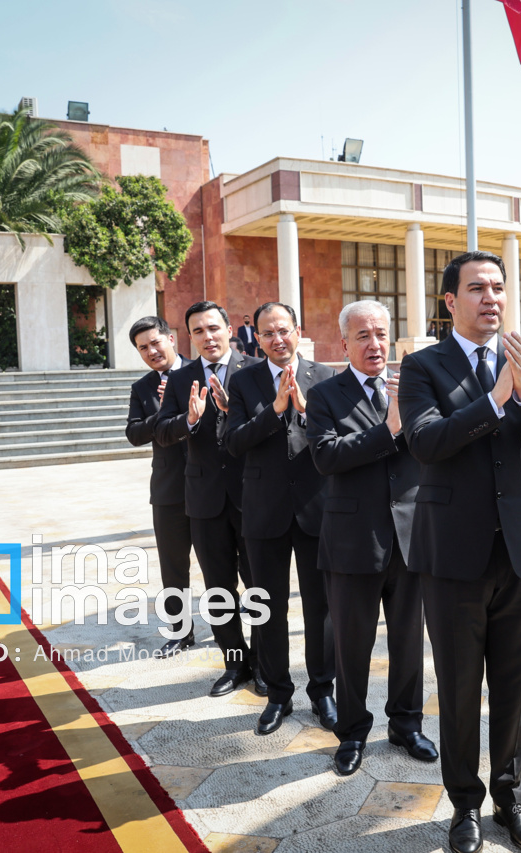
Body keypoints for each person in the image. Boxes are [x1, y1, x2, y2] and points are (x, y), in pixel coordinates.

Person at [398, 250, 521, 853]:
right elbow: (425, 443)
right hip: (451, 557)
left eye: (498, 287)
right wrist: (494, 400)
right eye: (477, 289)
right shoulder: (423, 367)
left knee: (516, 687)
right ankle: (465, 804)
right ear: (450, 303)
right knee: (461, 686)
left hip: (519, 554)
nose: (491, 298)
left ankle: (511, 797)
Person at [305, 299, 436, 777]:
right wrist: (389, 429)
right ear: (344, 343)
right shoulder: (324, 394)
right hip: (352, 541)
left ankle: (406, 725)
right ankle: (353, 733)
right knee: (352, 647)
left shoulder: (414, 387)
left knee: (408, 643)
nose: (374, 344)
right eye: (363, 335)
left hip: (410, 537)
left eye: (381, 334)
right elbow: (326, 457)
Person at [223, 302, 337, 737]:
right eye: (268, 333)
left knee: (320, 609)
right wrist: (273, 410)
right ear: (257, 337)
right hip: (264, 509)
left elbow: (338, 438)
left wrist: (305, 410)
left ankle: (323, 691)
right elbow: (232, 442)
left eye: (284, 330)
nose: (277, 339)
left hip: (316, 509)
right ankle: (278, 694)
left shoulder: (326, 378)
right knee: (267, 608)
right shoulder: (244, 379)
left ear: (298, 330)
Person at [155, 301, 263, 698]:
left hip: (252, 496)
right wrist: (189, 419)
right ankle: (235, 664)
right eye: (198, 331)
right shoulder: (181, 379)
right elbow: (162, 432)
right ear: (189, 337)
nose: (208, 336)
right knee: (219, 589)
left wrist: (236, 413)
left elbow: (273, 423)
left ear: (229, 328)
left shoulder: (254, 370)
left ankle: (266, 664)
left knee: (259, 587)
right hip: (203, 499)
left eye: (213, 328)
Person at [125, 316, 195, 657]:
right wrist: (164, 411)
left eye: (156, 342)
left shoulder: (202, 371)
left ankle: (239, 638)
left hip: (212, 486)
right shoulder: (142, 388)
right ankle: (181, 632)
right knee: (173, 565)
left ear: (171, 338)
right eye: (143, 348)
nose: (152, 351)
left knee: (227, 566)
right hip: (169, 489)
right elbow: (134, 434)